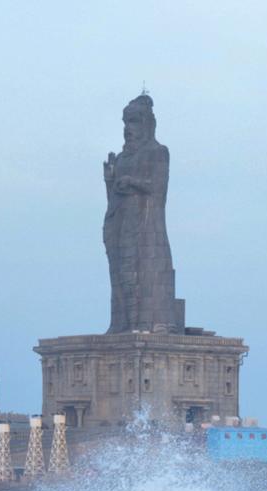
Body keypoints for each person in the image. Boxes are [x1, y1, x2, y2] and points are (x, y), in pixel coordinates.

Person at [102, 93, 182, 334]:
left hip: (147, 228)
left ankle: (148, 325)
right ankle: (123, 324)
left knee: (143, 273)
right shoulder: (123, 157)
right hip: (123, 223)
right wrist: (110, 180)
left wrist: (131, 181)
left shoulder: (158, 152)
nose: (128, 128)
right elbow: (114, 198)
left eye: (134, 122)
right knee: (122, 274)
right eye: (126, 122)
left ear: (148, 124)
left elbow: (158, 187)